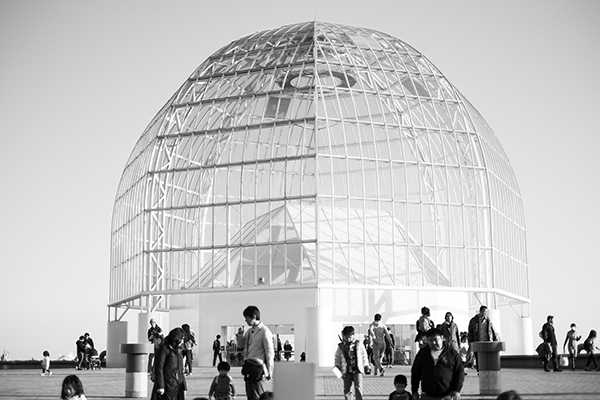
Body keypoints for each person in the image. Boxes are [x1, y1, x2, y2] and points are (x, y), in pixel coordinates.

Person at [411, 328, 464, 400]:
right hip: (427, 394)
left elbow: (459, 372)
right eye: (430, 340)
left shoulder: (452, 353)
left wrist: (456, 390)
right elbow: (415, 373)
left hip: (447, 395)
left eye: (436, 339)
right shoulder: (422, 353)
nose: (433, 343)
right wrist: (414, 391)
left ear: (442, 338)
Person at [241, 305, 274, 400]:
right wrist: (240, 335)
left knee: (258, 395)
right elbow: (240, 345)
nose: (245, 321)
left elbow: (269, 352)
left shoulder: (265, 331)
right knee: (250, 395)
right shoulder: (249, 331)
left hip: (258, 367)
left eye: (247, 318)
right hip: (248, 366)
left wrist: (269, 371)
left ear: (254, 317)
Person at [151, 327, 187, 400]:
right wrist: (161, 386)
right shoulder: (164, 348)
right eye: (182, 338)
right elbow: (159, 367)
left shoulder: (179, 350)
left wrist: (184, 386)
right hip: (167, 385)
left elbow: (180, 370)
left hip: (177, 385)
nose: (183, 341)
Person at [334, 326, 370, 400]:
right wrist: (337, 367)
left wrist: (366, 365)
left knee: (358, 386)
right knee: (347, 389)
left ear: (353, 335)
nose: (348, 338)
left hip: (357, 369)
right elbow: (337, 357)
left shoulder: (359, 344)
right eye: (346, 336)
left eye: (349, 336)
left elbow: (364, 356)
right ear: (343, 336)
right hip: (346, 371)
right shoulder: (341, 346)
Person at [467, 305, 500, 371]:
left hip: (486, 341)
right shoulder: (473, 320)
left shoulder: (488, 320)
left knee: (487, 356)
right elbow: (470, 332)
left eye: (486, 312)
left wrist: (495, 339)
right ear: (480, 311)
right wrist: (470, 342)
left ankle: (485, 369)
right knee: (478, 357)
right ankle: (479, 371)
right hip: (477, 341)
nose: (485, 313)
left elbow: (492, 330)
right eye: (484, 312)